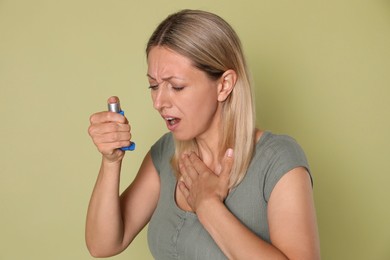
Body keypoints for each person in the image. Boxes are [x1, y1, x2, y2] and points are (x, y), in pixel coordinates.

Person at [86, 9, 320, 260]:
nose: (159, 102)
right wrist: (111, 162)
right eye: (153, 86)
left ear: (224, 85)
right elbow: (104, 245)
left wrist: (208, 206)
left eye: (176, 86)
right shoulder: (166, 151)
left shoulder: (278, 161)